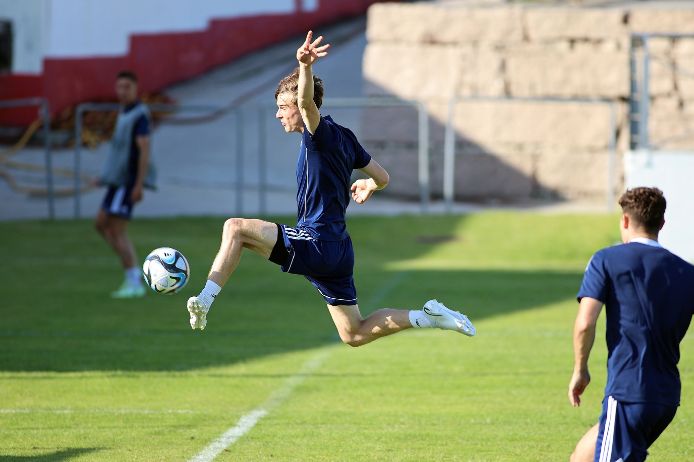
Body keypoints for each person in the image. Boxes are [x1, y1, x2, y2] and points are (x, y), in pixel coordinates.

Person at [186, 31, 476, 344]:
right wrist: (370, 184)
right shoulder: (345, 136)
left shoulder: (318, 135)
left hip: (316, 241)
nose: (278, 113)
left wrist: (305, 66)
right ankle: (427, 317)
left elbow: (306, 102)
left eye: (283, 106)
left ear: (301, 107)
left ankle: (205, 299)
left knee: (235, 228)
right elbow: (383, 177)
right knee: (354, 332)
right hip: (338, 250)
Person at [569, 187, 694, 462]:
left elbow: (585, 323)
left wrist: (580, 369)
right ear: (662, 223)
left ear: (625, 220)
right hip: (666, 397)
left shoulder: (606, 260)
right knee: (583, 457)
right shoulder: (687, 272)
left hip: (628, 393)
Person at [95, 70, 156, 298]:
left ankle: (134, 282)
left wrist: (138, 184)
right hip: (116, 181)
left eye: (127, 87)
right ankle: (133, 273)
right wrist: (105, 176)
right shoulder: (124, 111)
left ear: (135, 88)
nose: (122, 91)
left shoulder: (139, 115)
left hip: (127, 183)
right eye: (119, 86)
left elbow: (144, 150)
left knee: (116, 230)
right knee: (101, 224)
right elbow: (119, 151)